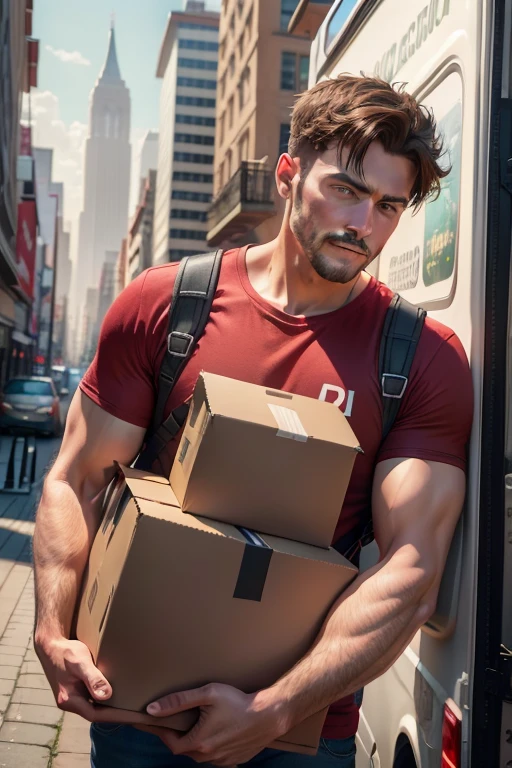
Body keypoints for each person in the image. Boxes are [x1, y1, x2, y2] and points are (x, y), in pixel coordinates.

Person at [33, 74, 473, 768]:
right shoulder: (168, 306)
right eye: (348, 190)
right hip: (133, 709)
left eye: (389, 205)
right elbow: (77, 480)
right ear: (289, 176)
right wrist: (52, 629)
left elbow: (412, 569)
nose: (364, 224)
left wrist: (276, 708)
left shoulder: (421, 358)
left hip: (300, 734)